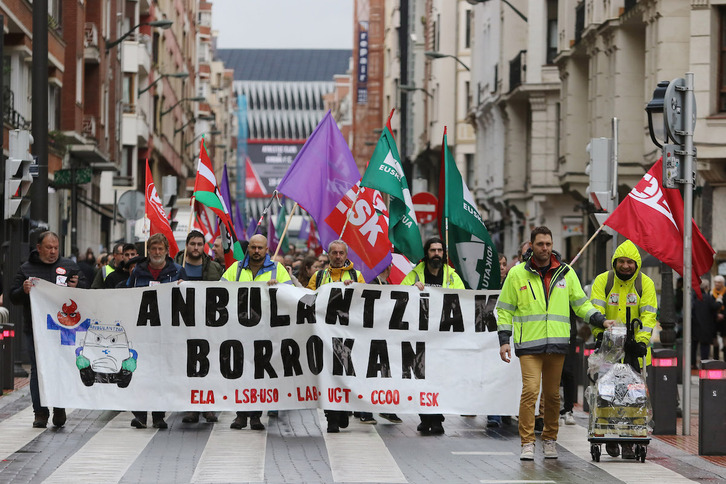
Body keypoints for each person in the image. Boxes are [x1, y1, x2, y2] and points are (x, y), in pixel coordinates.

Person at [497, 226, 611, 461]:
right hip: (529, 344)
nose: (545, 248)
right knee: (530, 392)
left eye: (548, 243)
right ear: (532, 245)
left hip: (557, 344)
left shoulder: (566, 273)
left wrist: (600, 319)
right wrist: (504, 340)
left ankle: (550, 439)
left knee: (552, 396)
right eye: (540, 244)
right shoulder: (517, 274)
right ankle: (527, 442)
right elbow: (504, 309)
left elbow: (581, 304)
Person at [10, 231, 87, 428]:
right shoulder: (26, 268)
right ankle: (40, 413)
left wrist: (78, 285)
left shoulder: (69, 267)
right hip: (35, 330)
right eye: (48, 248)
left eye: (56, 248)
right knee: (39, 370)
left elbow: (88, 292)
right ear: (39, 248)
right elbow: (13, 296)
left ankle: (59, 408)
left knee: (60, 368)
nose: (53, 252)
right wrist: (23, 291)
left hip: (63, 331)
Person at [589, 238, 657, 459]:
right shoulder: (603, 281)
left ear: (636, 264)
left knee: (633, 397)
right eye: (621, 261)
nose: (625, 266)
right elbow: (595, 310)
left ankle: (629, 440)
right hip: (608, 350)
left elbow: (648, 316)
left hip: (633, 351)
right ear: (614, 262)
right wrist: (600, 336)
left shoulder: (644, 284)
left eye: (630, 262)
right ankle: (608, 435)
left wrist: (641, 342)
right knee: (607, 395)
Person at [221, 234, 292, 431]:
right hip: (240, 330)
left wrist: (278, 286)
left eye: (260, 248)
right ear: (248, 249)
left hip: (265, 331)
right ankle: (240, 415)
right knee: (241, 373)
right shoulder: (235, 269)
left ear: (267, 250)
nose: (256, 251)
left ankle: (256, 416)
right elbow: (217, 290)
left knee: (260, 374)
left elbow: (290, 293)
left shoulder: (277, 270)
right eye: (253, 247)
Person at [402, 237, 465, 435]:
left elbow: (463, 299)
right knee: (421, 378)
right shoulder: (414, 275)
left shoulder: (452, 277)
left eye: (439, 250)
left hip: (443, 338)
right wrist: (412, 291)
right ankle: (424, 417)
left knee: (439, 379)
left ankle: (437, 418)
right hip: (420, 337)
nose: (436, 254)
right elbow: (399, 295)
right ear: (426, 253)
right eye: (432, 250)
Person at [127, 234, 186, 429]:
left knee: (161, 374)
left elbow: (188, 300)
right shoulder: (138, 272)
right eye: (154, 249)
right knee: (141, 372)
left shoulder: (178, 272)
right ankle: (141, 415)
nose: (157, 253)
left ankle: (159, 415)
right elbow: (127, 294)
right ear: (148, 251)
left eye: (161, 249)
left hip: (167, 333)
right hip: (143, 333)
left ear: (167, 251)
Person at [308, 240, 365, 432]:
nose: (338, 256)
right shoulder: (319, 276)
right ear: (329, 255)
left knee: (344, 373)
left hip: (348, 336)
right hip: (324, 336)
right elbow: (308, 300)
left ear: (346, 255)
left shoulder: (357, 276)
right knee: (327, 375)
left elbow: (366, 302)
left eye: (341, 253)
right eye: (334, 253)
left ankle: (342, 409)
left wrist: (354, 288)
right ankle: (331, 415)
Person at [176, 230, 224, 424]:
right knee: (188, 367)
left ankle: (208, 407)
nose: (196, 248)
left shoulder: (214, 268)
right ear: (187, 245)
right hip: (182, 325)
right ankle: (191, 408)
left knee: (208, 367)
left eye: (199, 244)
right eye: (192, 244)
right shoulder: (175, 266)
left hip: (208, 325)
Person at [693, 279, 719, 367]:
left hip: (695, 326)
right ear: (707, 287)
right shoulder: (708, 298)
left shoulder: (694, 297)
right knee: (705, 348)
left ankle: (692, 364)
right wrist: (719, 301)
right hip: (706, 327)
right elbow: (715, 307)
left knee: (694, 347)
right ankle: (704, 365)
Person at [712, 275, 726, 360]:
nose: (717, 284)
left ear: (722, 283)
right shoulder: (711, 293)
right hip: (714, 319)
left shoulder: (725, 292)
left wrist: (723, 315)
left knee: (725, 338)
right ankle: (715, 358)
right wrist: (716, 315)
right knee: (714, 339)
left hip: (724, 319)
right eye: (715, 282)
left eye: (719, 282)